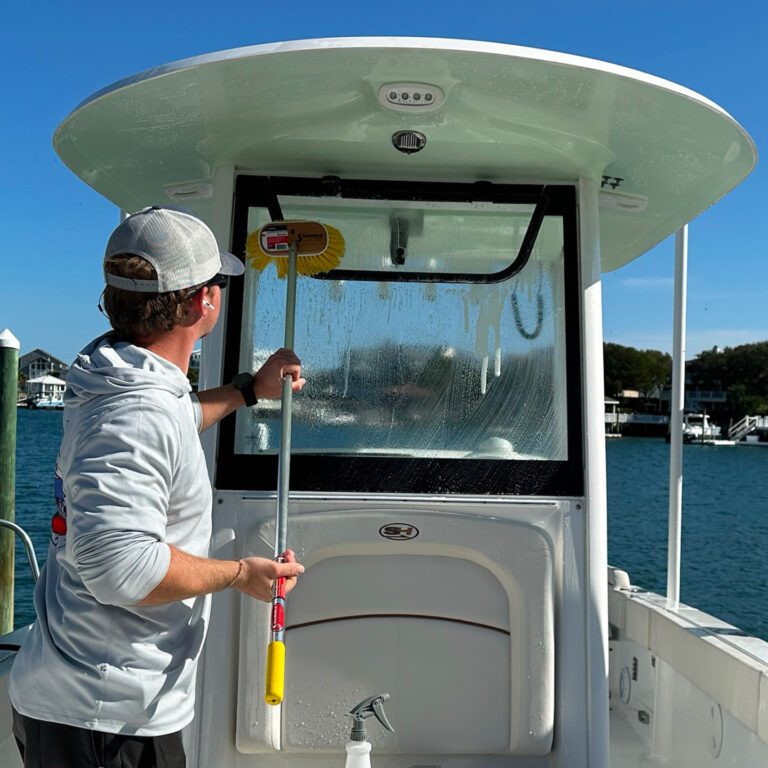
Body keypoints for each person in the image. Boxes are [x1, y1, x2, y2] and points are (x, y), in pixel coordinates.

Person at [9, 206, 305, 767]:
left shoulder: (120, 378)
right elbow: (122, 569)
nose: (218, 293)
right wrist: (242, 574)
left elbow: (168, 422)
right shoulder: (135, 411)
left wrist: (248, 389)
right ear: (202, 303)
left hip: (89, 708)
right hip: (104, 720)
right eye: (216, 283)